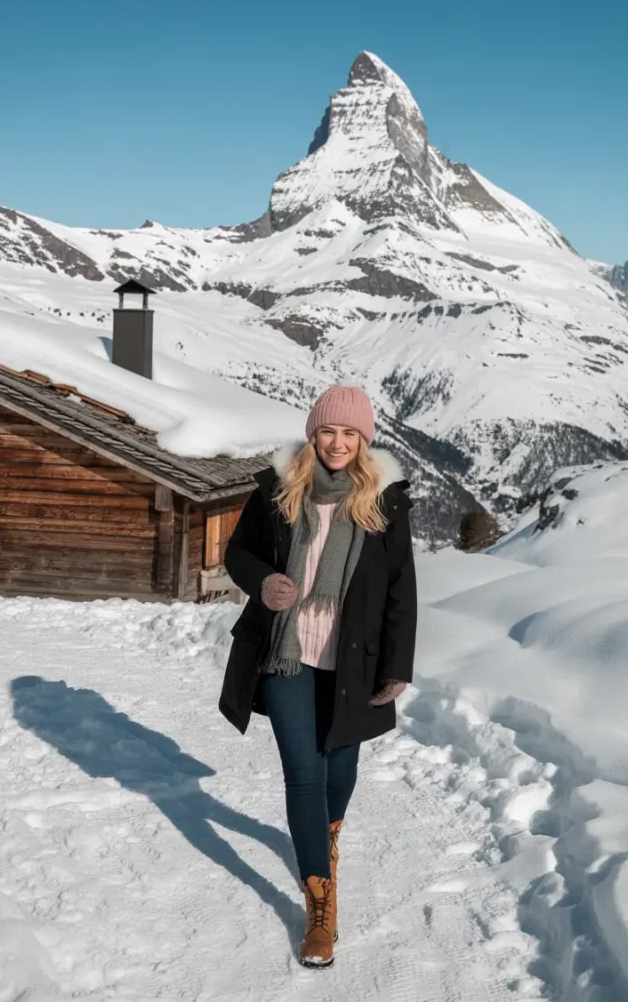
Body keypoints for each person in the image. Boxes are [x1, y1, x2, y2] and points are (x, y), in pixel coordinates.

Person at [218, 385, 417, 968]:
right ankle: (320, 901)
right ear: (314, 433)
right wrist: (263, 583)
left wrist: (397, 667)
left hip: (354, 656)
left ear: (364, 440)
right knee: (303, 773)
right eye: (329, 431)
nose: (338, 443)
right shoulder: (279, 492)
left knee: (340, 770)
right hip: (287, 651)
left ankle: (324, 834)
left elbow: (401, 589)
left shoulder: (384, 501)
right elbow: (238, 554)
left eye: (350, 433)